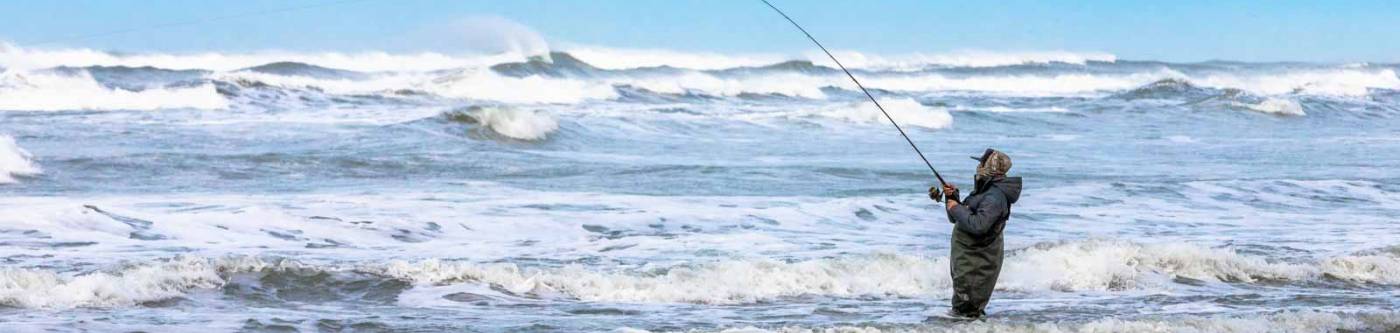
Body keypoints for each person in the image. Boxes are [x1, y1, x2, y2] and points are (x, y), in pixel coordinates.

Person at [928, 148, 1022, 319]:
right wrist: (952, 198)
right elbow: (958, 218)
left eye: (981, 163)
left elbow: (979, 225)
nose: (978, 166)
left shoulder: (995, 197)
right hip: (968, 260)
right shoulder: (985, 191)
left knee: (966, 312)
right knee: (965, 312)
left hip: (977, 264)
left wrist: (956, 208)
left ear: (990, 168)